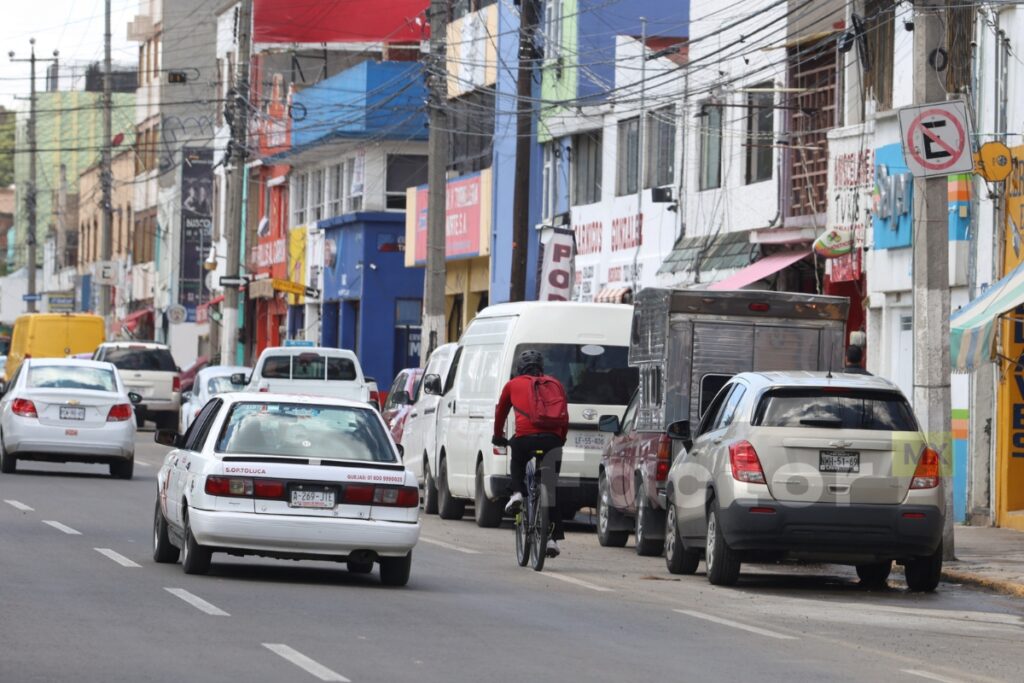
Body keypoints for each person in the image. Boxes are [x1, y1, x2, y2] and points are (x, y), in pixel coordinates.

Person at [493, 350, 569, 558]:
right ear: (542, 368)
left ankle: (517, 493)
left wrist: (497, 436)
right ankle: (552, 540)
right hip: (552, 441)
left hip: (524, 439)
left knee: (517, 461)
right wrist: (559, 440)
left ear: (520, 368)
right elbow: (564, 417)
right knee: (550, 488)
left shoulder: (513, 385)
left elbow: (501, 412)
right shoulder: (556, 384)